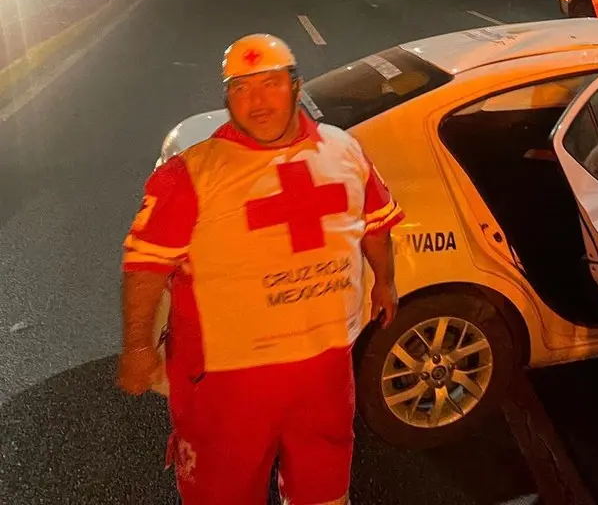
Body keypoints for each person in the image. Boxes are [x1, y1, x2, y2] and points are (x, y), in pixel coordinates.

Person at [116, 34, 404, 505]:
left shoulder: (344, 151)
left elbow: (374, 224)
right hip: (227, 381)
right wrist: (136, 348)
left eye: (270, 84)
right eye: (241, 88)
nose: (257, 101)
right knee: (221, 491)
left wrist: (385, 284)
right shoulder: (192, 173)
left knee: (325, 487)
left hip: (324, 369)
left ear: (296, 86)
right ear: (226, 97)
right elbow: (145, 265)